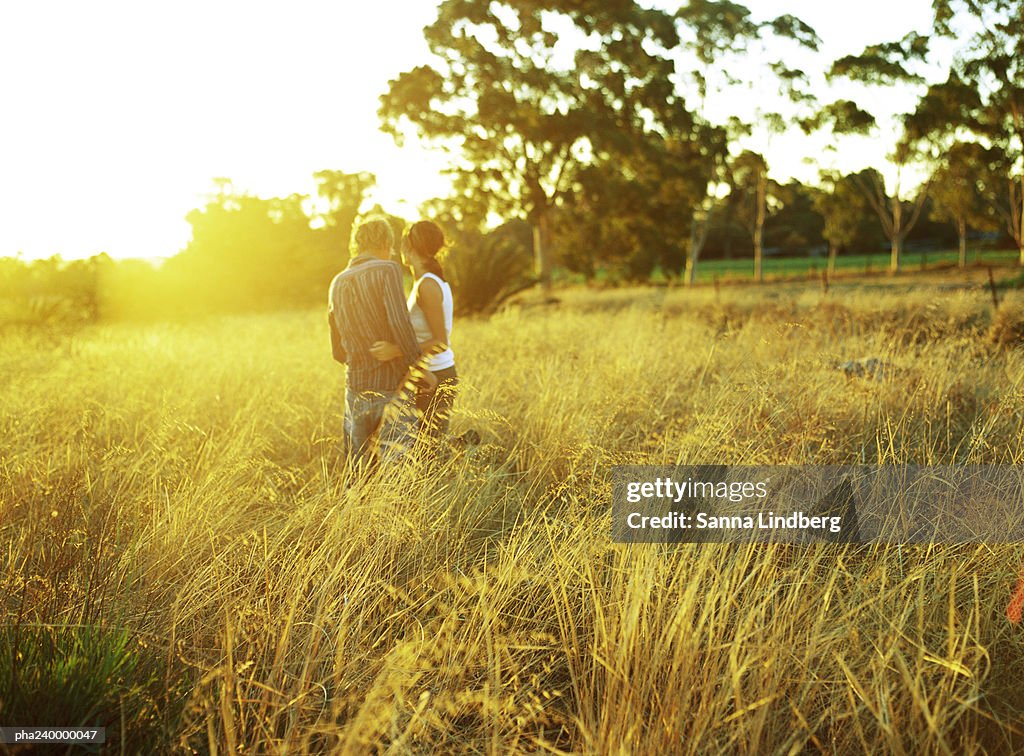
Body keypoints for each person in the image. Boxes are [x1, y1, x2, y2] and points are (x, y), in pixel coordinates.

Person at [328, 217, 436, 466]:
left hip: (354, 388)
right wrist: (419, 369)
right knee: (397, 469)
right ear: (386, 242)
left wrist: (361, 358)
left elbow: (337, 351)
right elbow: (400, 323)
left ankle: (356, 506)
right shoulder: (387, 270)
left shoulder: (337, 282)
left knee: (358, 470)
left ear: (357, 243)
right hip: (391, 388)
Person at [370, 220, 458, 443]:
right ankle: (462, 446)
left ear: (410, 246)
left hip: (437, 375)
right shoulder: (424, 282)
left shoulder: (428, 285)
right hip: (426, 375)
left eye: (402, 244)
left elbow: (440, 342)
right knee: (424, 447)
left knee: (429, 452)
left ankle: (465, 447)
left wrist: (396, 350)